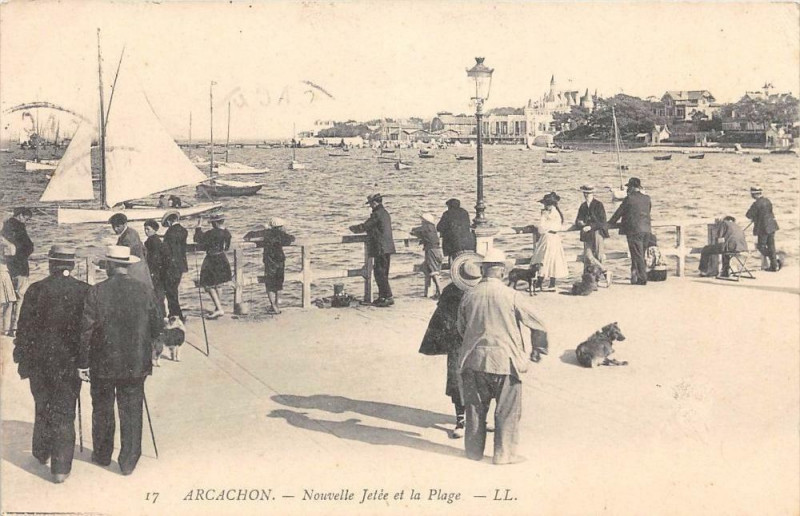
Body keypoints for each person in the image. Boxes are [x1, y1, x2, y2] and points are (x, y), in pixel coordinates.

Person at [456, 249, 547, 465]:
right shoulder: (512, 296)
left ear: (482, 270)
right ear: (503, 270)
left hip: (473, 360)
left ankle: (473, 452)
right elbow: (538, 323)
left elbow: (461, 329)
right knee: (507, 411)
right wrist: (538, 348)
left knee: (475, 410)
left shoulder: (468, 295)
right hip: (506, 362)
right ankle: (503, 455)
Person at [78, 246, 163, 476]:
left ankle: (103, 455)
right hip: (135, 362)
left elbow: (85, 331)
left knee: (103, 408)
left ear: (109, 266)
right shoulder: (145, 290)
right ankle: (128, 462)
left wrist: (83, 363)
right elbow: (157, 326)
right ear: (127, 265)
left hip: (102, 363)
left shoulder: (96, 291)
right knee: (132, 410)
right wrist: (155, 348)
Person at [13, 246, 89, 483]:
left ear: (50, 264)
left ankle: (41, 452)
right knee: (65, 412)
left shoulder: (36, 289)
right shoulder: (85, 291)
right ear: (73, 265)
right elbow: (89, 332)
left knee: (43, 405)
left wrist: (21, 359)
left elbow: (23, 330)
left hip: (39, 362)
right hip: (70, 363)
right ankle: (60, 469)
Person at [419, 281, 467, 438]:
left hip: (474, 340)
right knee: (457, 379)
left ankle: (473, 418)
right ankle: (461, 419)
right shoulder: (451, 291)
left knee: (472, 379)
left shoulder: (483, 289)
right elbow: (442, 317)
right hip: (459, 339)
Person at [349, 193, 396, 307]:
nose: (370, 206)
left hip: (380, 247)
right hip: (387, 247)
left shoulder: (376, 214)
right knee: (383, 272)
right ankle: (383, 297)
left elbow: (366, 226)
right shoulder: (385, 213)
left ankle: (388, 296)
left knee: (379, 273)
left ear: (375, 203)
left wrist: (353, 228)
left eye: (370, 203)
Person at [243, 217, 296, 315]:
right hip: (280, 260)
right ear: (280, 227)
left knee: (270, 284)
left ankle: (273, 306)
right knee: (278, 284)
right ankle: (276, 305)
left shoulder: (266, 233)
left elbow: (247, 237)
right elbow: (291, 239)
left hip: (269, 260)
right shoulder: (282, 235)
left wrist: (262, 228)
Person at [608, 177, 652, 285]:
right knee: (641, 254)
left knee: (638, 255)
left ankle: (642, 278)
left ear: (632, 187)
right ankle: (635, 277)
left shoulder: (629, 199)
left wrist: (609, 223)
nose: (627, 189)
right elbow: (648, 211)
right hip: (647, 230)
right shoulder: (647, 198)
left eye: (628, 187)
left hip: (634, 231)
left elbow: (618, 213)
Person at [2, 207, 34, 336]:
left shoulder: (5, 226)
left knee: (8, 300)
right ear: (20, 216)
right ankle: (14, 329)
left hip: (8, 268)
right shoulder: (19, 226)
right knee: (20, 298)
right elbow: (28, 246)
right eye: (26, 219)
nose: (26, 221)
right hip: (21, 268)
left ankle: (5, 328)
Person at [194, 213, 232, 319]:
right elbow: (227, 247)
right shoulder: (227, 233)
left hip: (212, 259)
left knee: (207, 285)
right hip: (222, 258)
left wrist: (199, 225)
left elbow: (197, 238)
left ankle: (219, 309)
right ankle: (217, 307)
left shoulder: (212, 233)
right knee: (218, 284)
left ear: (214, 223)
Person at [530, 192, 569, 291]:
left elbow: (541, 229)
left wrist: (540, 219)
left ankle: (539, 284)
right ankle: (552, 284)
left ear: (551, 204)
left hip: (548, 239)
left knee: (543, 260)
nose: (545, 206)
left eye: (546, 204)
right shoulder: (557, 214)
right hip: (554, 238)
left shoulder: (549, 214)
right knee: (553, 260)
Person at [109, 213, 153, 291]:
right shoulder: (131, 232)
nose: (115, 229)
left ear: (125, 224)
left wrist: (105, 263)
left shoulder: (128, 237)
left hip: (134, 274)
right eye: (113, 226)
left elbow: (124, 257)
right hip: (140, 272)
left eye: (118, 226)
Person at [574, 185, 610, 272]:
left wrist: (590, 226)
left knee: (599, 255)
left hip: (598, 233)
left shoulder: (598, 205)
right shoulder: (583, 206)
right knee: (588, 256)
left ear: (593, 193)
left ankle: (596, 278)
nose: (586, 195)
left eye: (588, 194)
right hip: (587, 234)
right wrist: (580, 223)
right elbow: (578, 219)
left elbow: (602, 221)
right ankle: (605, 271)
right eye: (585, 193)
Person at [745, 186, 780, 272]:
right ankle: (774, 265)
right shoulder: (767, 201)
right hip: (772, 226)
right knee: (771, 246)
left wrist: (755, 217)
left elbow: (748, 215)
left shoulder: (756, 204)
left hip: (763, 228)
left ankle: (774, 260)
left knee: (761, 246)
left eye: (752, 194)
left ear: (754, 194)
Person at [161, 211, 188, 321]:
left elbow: (167, 251)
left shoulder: (169, 233)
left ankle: (175, 315)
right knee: (174, 290)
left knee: (170, 291)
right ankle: (176, 314)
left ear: (168, 221)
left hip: (171, 266)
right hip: (180, 265)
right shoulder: (184, 231)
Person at [410, 213, 443, 299]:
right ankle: (434, 292)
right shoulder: (432, 228)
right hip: (438, 251)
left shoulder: (426, 227)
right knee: (428, 268)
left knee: (434, 272)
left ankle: (440, 292)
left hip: (431, 251)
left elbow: (414, 230)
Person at [436, 198, 475, 264]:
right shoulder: (464, 212)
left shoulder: (447, 214)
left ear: (450, 206)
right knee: (465, 263)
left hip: (453, 244)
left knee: (454, 263)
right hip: (468, 242)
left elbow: (439, 227)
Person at [143, 219, 166, 318]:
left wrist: (151, 271)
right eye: (145, 229)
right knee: (159, 295)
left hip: (154, 272)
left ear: (154, 230)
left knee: (156, 294)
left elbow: (153, 258)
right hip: (159, 272)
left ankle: (159, 316)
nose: (146, 231)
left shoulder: (151, 241)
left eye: (148, 229)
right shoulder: (157, 240)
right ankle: (162, 315)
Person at [1, 236, 16, 334]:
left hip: (3, 270)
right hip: (2, 271)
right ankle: (5, 329)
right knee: (8, 301)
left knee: (8, 301)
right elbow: (12, 250)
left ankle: (5, 329)